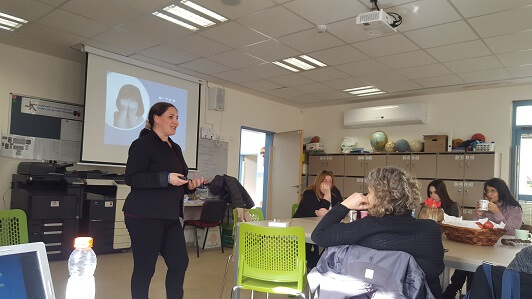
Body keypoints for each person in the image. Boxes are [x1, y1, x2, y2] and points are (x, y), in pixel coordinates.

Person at [312, 166, 445, 298]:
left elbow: (319, 235)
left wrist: (345, 205)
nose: (366, 196)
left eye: (369, 193)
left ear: (380, 198)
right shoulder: (430, 230)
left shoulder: (366, 227)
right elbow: (435, 271)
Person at [123, 102, 203, 299]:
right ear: (156, 118)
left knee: (179, 263)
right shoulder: (142, 144)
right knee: (145, 269)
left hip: (169, 215)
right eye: (171, 117)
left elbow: (178, 179)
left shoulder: (174, 147)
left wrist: (188, 186)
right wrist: (165, 177)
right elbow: (132, 178)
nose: (176, 122)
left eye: (177, 118)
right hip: (144, 216)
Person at [443, 177, 523, 299]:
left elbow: (511, 231)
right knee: (467, 258)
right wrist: (478, 215)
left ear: (501, 191)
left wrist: (497, 213)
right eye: (487, 191)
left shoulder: (514, 209)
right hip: (483, 246)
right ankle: (458, 289)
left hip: (501, 250)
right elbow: (478, 230)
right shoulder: (487, 208)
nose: (489, 194)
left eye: (493, 191)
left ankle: (457, 290)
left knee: (473, 265)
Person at [293, 170, 342, 269]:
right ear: (319, 181)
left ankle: (322, 264)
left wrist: (328, 213)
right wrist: (327, 195)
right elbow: (318, 215)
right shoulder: (309, 194)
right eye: (325, 180)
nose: (327, 184)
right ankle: (315, 265)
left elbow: (341, 209)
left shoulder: (335, 192)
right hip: (304, 229)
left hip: (323, 228)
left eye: (330, 181)